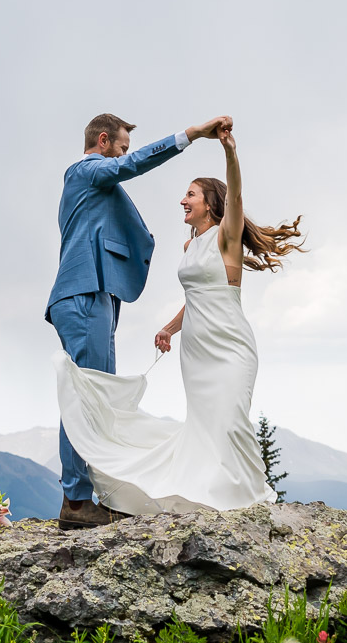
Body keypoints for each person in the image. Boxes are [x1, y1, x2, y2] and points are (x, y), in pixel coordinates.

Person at [53, 123, 305, 516]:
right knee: (205, 425)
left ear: (209, 203)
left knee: (231, 419)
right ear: (103, 141)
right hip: (197, 347)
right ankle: (84, 498)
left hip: (229, 343)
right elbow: (198, 295)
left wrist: (230, 153)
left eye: (190, 194)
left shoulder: (226, 236)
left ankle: (245, 498)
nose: (182, 200)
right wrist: (170, 328)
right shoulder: (190, 244)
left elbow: (235, 194)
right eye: (122, 146)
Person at [47, 112, 232, 529]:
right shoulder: (86, 169)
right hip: (83, 292)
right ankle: (75, 503)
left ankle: (90, 494)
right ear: (102, 141)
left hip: (99, 294)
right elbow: (129, 167)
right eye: (121, 147)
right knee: (87, 394)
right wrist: (192, 135)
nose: (124, 157)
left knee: (99, 396)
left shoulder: (97, 182)